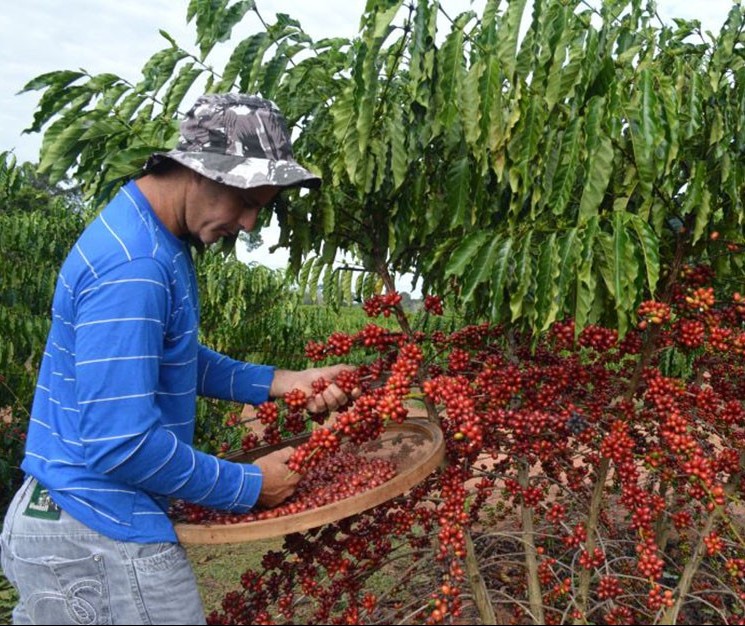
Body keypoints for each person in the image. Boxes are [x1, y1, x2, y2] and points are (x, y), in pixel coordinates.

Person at [0, 93, 353, 625]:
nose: (251, 223)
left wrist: (284, 381)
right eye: (247, 201)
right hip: (98, 531)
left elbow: (171, 355)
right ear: (201, 171)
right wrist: (249, 486)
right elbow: (122, 444)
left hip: (77, 515)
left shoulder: (152, 236)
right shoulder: (136, 266)